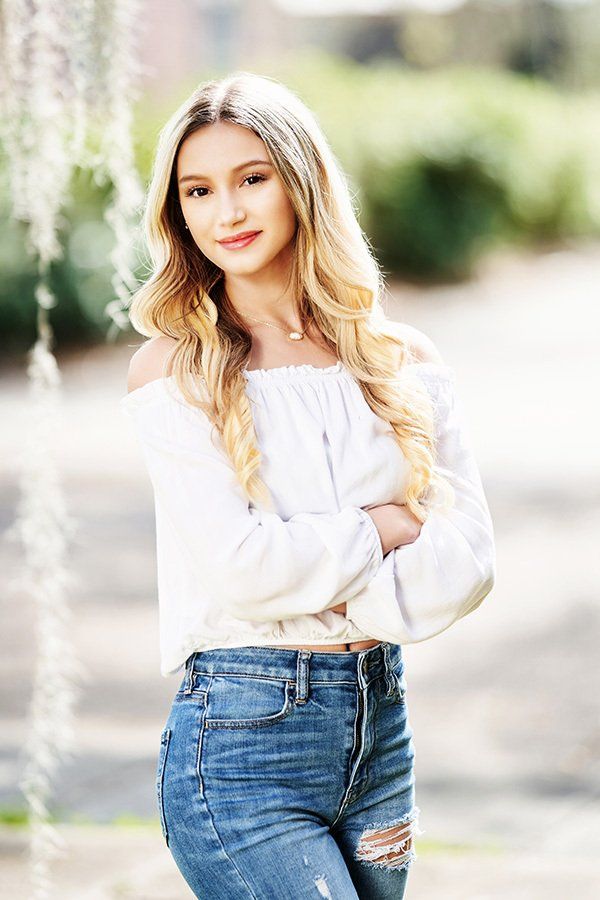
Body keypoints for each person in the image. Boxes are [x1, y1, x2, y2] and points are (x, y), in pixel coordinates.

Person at [119, 71, 496, 899]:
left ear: (302, 182)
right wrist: (383, 527)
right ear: (177, 210)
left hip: (379, 737)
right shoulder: (176, 371)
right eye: (200, 189)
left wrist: (325, 595)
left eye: (252, 178)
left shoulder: (403, 363)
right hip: (244, 745)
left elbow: (468, 562)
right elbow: (242, 571)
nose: (229, 212)